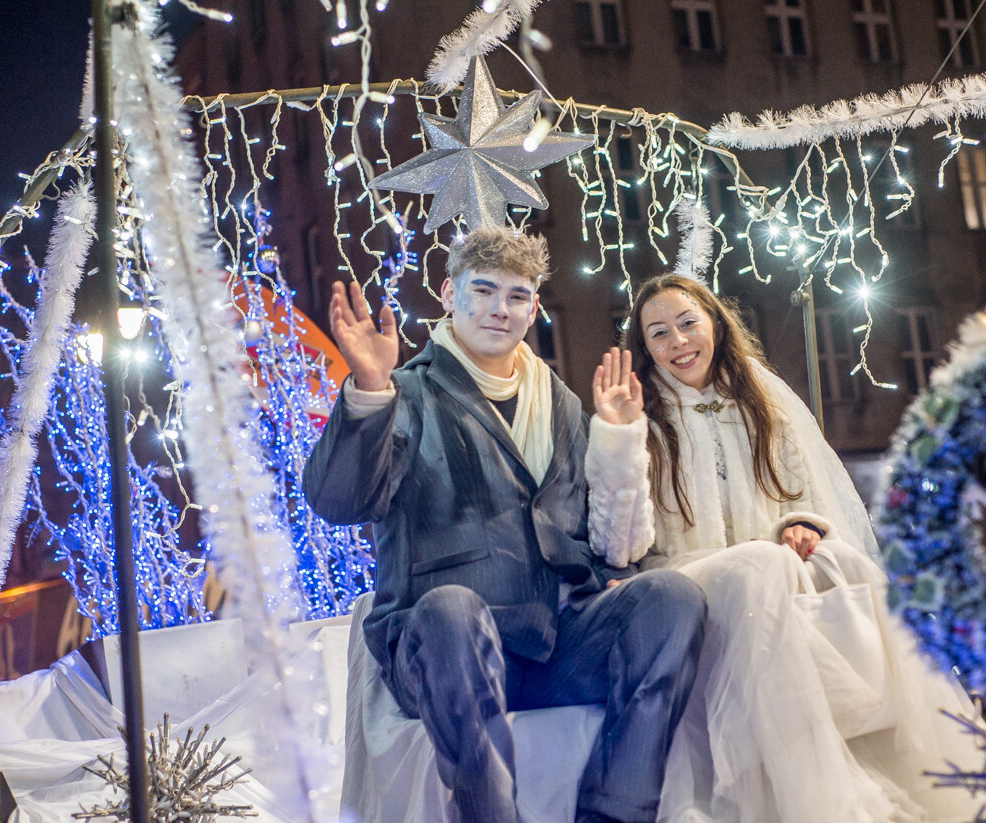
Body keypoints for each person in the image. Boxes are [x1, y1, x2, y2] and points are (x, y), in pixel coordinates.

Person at [302, 229, 708, 823]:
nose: (500, 308)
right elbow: (339, 501)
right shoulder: (407, 392)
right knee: (449, 610)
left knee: (672, 597)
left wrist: (611, 573)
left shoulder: (563, 402)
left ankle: (615, 811)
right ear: (448, 293)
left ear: (534, 308)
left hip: (550, 642)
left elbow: (582, 527)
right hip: (447, 651)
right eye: (484, 290)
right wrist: (368, 390)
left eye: (518, 296)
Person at [584, 273, 986, 823]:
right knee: (757, 567)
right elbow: (618, 543)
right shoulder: (640, 416)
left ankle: (895, 758)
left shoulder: (761, 399)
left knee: (842, 563)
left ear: (715, 326)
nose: (677, 341)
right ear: (644, 347)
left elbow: (808, 492)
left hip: (771, 566)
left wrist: (803, 524)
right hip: (686, 578)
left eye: (687, 323)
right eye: (658, 333)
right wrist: (621, 436)